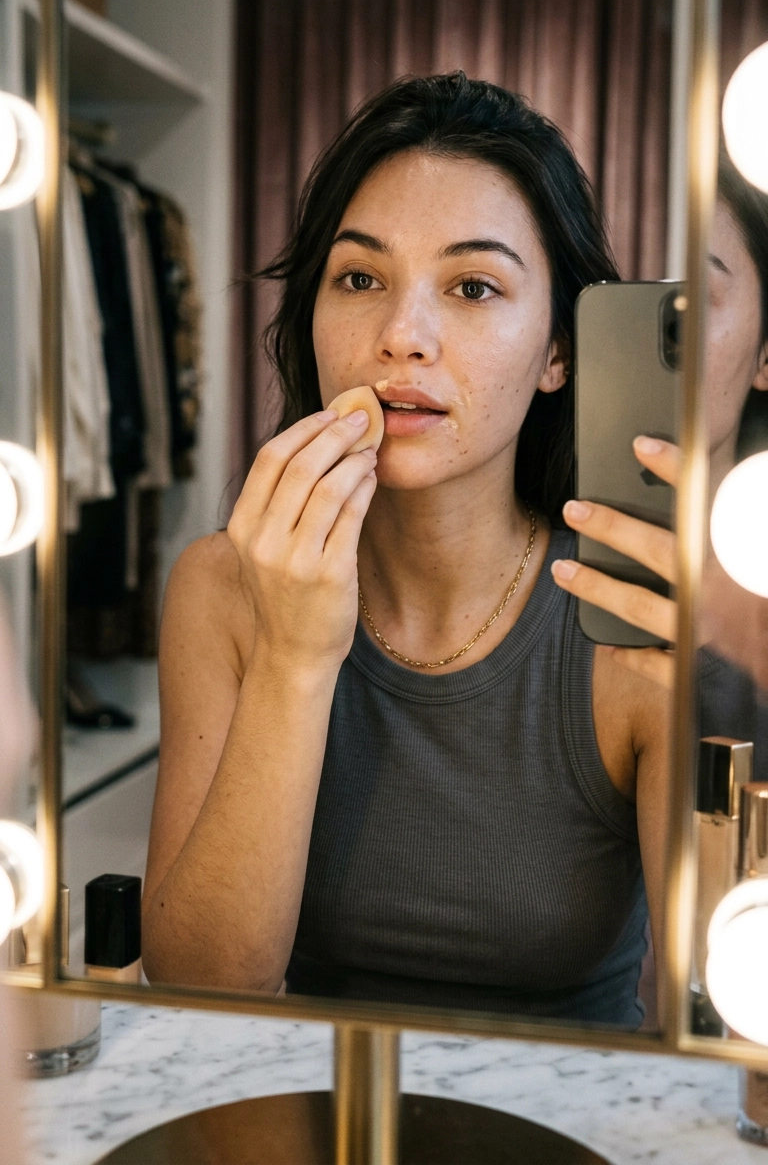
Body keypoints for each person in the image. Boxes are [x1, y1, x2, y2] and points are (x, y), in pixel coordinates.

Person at [142, 73, 678, 1026]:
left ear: (558, 350)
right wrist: (296, 658)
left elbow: (727, 1013)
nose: (401, 338)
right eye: (360, 279)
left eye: (473, 287)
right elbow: (201, 988)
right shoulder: (221, 586)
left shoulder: (629, 619)